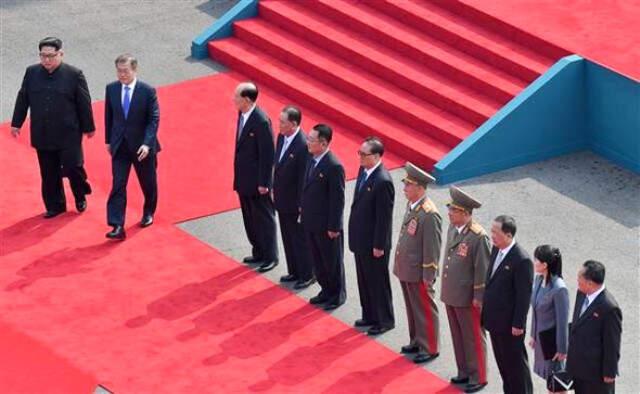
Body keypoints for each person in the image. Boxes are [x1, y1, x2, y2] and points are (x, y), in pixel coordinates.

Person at [11, 36, 95, 218]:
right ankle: (55, 205)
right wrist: (17, 123)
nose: (46, 60)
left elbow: (84, 103)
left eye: (51, 56)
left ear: (61, 54)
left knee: (73, 167)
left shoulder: (74, 74)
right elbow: (23, 97)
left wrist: (89, 127)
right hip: (43, 132)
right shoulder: (32, 72)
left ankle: (80, 193)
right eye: (43, 56)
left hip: (69, 132)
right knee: (49, 172)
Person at [440, 186, 491, 393]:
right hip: (452, 293)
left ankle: (478, 375)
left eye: (454, 210)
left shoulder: (478, 237)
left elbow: (482, 270)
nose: (450, 213)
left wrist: (479, 297)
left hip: (469, 297)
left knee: (473, 337)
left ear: (466, 214)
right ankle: (464, 371)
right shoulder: (453, 228)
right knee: (458, 335)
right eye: (450, 209)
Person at [105, 54, 160, 240]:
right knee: (118, 184)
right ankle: (117, 225)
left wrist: (147, 143)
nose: (122, 75)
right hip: (120, 146)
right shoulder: (111, 89)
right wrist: (108, 141)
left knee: (148, 183)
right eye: (119, 71)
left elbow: (153, 120)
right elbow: (109, 116)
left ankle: (148, 211)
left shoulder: (147, 91)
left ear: (134, 70)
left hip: (141, 147)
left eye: (125, 71)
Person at [393, 162, 441, 363]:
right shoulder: (413, 205)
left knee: (424, 309)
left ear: (420, 188)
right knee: (412, 307)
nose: (404, 188)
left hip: (419, 271)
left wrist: (428, 275)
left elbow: (432, 248)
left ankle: (429, 346)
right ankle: (417, 340)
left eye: (409, 184)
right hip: (407, 268)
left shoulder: (429, 214)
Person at [348, 137, 395, 336]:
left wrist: (379, 244)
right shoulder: (364, 171)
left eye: (364, 154)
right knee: (364, 279)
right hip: (361, 238)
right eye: (360, 153)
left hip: (374, 243)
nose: (360, 157)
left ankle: (384, 319)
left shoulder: (383, 181)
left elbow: (384, 218)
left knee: (377, 282)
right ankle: (369, 314)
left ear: (376, 157)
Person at [482, 215, 534, 394]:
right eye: (492, 231)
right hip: (495, 321)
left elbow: (523, 296)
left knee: (516, 367)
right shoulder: (496, 249)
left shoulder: (521, 260)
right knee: (504, 366)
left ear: (509, 235)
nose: (492, 235)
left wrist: (518, 324)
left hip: (510, 326)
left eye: (496, 232)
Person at [232, 82, 278, 272]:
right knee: (249, 217)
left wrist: (264, 183)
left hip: (258, 182)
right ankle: (258, 250)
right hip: (243, 178)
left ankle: (271, 255)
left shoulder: (260, 121)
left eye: (237, 97)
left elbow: (268, 155)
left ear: (247, 100)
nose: (233, 100)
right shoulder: (242, 115)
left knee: (264, 218)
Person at [301, 124, 346, 311]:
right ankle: (325, 290)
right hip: (312, 221)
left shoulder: (333, 166)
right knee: (318, 260)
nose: (308, 143)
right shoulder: (312, 159)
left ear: (324, 143)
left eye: (311, 140)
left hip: (327, 226)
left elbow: (337, 200)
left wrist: (334, 227)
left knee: (332, 262)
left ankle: (337, 295)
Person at [273, 105, 314, 287]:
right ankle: (294, 271)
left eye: (283, 122)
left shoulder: (303, 145)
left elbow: (303, 178)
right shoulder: (282, 137)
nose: (279, 125)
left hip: (295, 201)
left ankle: (307, 274)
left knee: (299, 239)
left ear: (294, 124)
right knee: (287, 236)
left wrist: (302, 205)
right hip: (282, 198)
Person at [567, 260, 622, 394]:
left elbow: (612, 343)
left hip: (595, 375)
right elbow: (577, 323)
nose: (577, 279)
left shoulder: (609, 308)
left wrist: (609, 372)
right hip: (578, 367)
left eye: (580, 277)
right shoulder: (582, 293)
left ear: (590, 283)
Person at [529, 245, 570, 393]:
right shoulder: (539, 280)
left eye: (536, 260)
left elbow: (562, 322)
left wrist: (562, 349)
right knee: (550, 381)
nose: (534, 262)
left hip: (552, 343)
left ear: (545, 265)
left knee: (557, 383)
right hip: (541, 340)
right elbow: (534, 310)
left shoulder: (559, 289)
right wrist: (533, 335)